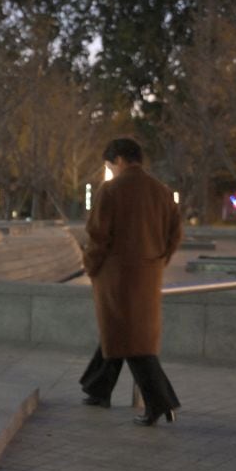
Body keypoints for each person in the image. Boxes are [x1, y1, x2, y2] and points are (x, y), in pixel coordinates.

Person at [79, 137, 182, 426]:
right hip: (148, 276)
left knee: (131, 341)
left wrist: (91, 266)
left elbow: (98, 236)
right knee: (125, 333)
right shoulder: (161, 191)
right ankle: (98, 388)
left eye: (110, 165)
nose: (110, 170)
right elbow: (175, 235)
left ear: (120, 160)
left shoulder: (111, 190)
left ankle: (160, 402)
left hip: (116, 276)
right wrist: (159, 261)